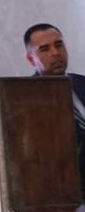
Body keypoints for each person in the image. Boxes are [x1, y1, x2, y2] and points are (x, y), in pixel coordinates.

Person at [24, 23, 85, 194]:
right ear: (31, 59)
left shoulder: (82, 83)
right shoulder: (24, 98)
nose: (55, 53)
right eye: (44, 49)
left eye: (59, 45)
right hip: (64, 191)